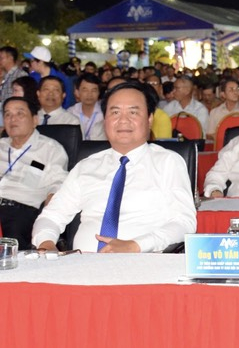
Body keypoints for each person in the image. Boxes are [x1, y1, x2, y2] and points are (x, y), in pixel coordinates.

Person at [32, 81, 197, 253]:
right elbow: (51, 216)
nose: (123, 120)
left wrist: (136, 245)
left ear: (149, 120)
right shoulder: (86, 166)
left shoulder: (168, 163)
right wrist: (46, 243)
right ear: (105, 121)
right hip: (81, 266)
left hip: (143, 264)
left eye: (133, 112)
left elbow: (184, 222)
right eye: (115, 112)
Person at [0, 97, 69, 249]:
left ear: (35, 119)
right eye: (7, 114)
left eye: (20, 114)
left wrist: (50, 210)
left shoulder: (50, 149)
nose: (13, 119)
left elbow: (58, 184)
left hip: (20, 212)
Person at [67, 73, 107, 140]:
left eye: (93, 90)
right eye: (85, 90)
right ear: (78, 92)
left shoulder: (105, 112)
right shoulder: (70, 113)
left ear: (99, 92)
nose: (89, 94)